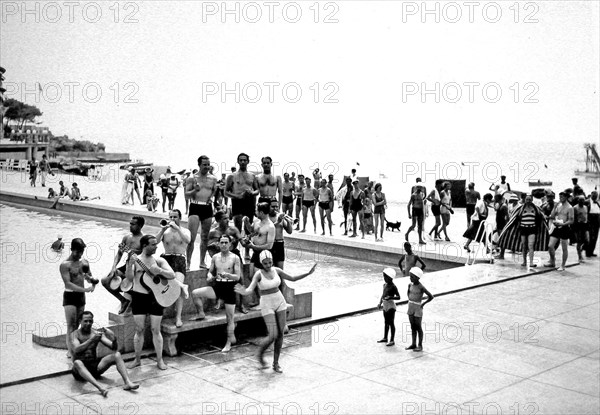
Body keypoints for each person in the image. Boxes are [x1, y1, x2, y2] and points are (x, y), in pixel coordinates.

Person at [234, 251, 317, 372]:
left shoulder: (276, 270)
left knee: (281, 333)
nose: (268, 265)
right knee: (273, 334)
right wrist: (243, 291)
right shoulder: (258, 274)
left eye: (270, 262)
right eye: (265, 263)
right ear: (261, 263)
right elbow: (250, 289)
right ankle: (260, 355)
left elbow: (292, 278)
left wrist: (308, 273)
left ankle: (276, 363)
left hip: (279, 301)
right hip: (267, 304)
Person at [125, 235, 176, 370]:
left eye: (156, 244)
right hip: (139, 297)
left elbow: (172, 275)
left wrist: (158, 270)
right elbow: (129, 279)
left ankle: (159, 361)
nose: (156, 247)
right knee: (139, 329)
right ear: (144, 246)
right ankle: (137, 360)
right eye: (153, 244)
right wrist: (129, 265)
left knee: (155, 329)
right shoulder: (136, 260)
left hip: (156, 298)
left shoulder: (159, 260)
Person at [191, 234, 242, 352]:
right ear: (218, 244)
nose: (224, 245)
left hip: (229, 288)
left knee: (230, 318)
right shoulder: (215, 257)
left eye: (226, 242)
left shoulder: (235, 258)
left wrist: (228, 275)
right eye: (222, 242)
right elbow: (210, 272)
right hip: (218, 286)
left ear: (230, 244)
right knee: (195, 293)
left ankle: (228, 343)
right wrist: (209, 277)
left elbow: (237, 277)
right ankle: (201, 313)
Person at [71, 311, 139, 397]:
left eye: (90, 321)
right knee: (77, 362)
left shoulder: (95, 333)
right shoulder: (74, 335)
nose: (88, 323)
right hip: (79, 371)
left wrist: (113, 338)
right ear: (80, 321)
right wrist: (92, 339)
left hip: (94, 367)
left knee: (117, 355)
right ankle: (100, 388)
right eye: (85, 321)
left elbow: (113, 348)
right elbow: (77, 349)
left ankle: (128, 382)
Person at [60, 238, 97, 356]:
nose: (79, 255)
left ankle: (77, 347)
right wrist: (86, 289)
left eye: (81, 252)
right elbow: (68, 284)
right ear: (71, 250)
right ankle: (70, 351)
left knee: (78, 324)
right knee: (71, 325)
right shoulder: (65, 265)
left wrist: (92, 282)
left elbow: (88, 276)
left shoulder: (84, 262)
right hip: (70, 296)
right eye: (77, 252)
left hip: (81, 296)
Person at [101, 216, 145, 314]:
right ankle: (123, 300)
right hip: (127, 265)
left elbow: (146, 257)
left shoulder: (144, 239)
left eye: (133, 224)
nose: (130, 226)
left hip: (139, 267)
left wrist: (134, 252)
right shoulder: (126, 237)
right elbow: (119, 253)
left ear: (140, 226)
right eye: (130, 223)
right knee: (105, 280)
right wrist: (113, 268)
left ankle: (132, 297)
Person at [156, 209, 192, 327]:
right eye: (171, 217)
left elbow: (188, 240)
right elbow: (155, 242)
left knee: (177, 288)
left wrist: (178, 229)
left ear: (180, 218)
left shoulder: (185, 231)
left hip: (179, 259)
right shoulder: (165, 232)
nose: (172, 219)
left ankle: (178, 317)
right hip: (166, 258)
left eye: (175, 217)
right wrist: (162, 230)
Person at [185, 156, 218, 269]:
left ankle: (202, 261)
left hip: (207, 207)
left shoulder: (213, 178)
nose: (207, 167)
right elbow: (186, 194)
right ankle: (188, 262)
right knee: (192, 238)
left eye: (208, 164)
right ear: (199, 165)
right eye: (204, 164)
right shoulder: (192, 178)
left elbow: (214, 190)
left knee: (205, 237)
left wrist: (211, 198)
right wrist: (195, 190)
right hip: (195, 206)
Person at [226, 153, 259, 236]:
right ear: (238, 162)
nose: (243, 162)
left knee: (248, 229)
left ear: (248, 161)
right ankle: (236, 247)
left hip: (249, 202)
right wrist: (237, 196)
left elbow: (257, 190)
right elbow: (226, 192)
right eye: (241, 160)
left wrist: (252, 193)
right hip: (237, 203)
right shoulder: (232, 176)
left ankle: (247, 248)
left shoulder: (252, 176)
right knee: (237, 229)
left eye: (244, 160)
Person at [404, 267, 434, 352]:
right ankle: (413, 343)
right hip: (411, 306)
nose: (410, 278)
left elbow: (431, 296)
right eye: (410, 276)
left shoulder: (421, 287)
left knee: (418, 327)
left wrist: (423, 304)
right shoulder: (410, 285)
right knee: (412, 326)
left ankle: (420, 345)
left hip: (418, 307)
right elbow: (408, 293)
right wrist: (410, 300)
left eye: (412, 277)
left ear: (417, 277)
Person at [545, 191, 574, 271]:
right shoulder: (559, 205)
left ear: (566, 197)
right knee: (550, 246)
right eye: (560, 197)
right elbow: (552, 216)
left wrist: (563, 224)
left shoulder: (570, 207)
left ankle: (563, 265)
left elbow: (571, 221)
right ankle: (552, 261)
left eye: (562, 197)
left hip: (564, 227)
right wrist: (555, 207)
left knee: (564, 247)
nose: (560, 198)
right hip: (557, 226)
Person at [515, 194, 545, 268]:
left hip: (532, 228)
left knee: (531, 245)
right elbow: (516, 218)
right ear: (524, 200)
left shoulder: (535, 209)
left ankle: (531, 262)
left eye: (529, 200)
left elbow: (540, 217)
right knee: (524, 245)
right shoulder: (521, 209)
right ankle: (524, 261)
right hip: (523, 228)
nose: (528, 201)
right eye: (527, 199)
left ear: (532, 200)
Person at [377, 268, 400, 347]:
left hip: (390, 306)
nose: (384, 279)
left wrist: (390, 297)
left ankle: (392, 340)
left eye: (385, 277)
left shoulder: (393, 287)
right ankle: (385, 337)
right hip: (385, 304)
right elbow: (382, 295)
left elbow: (398, 297)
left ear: (390, 278)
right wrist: (380, 303)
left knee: (391, 323)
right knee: (386, 322)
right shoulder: (384, 285)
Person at [573, 196, 589, 262]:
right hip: (578, 226)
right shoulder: (575, 208)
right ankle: (579, 256)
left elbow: (586, 216)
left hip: (585, 225)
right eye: (580, 200)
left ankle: (580, 251)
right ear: (578, 200)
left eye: (583, 200)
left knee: (587, 241)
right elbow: (573, 218)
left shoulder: (586, 207)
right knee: (579, 242)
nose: (582, 201)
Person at [493, 194, 509, 259]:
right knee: (501, 239)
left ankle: (502, 255)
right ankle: (501, 254)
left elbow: (507, 216)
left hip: (502, 224)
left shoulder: (504, 206)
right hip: (499, 224)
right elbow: (495, 209)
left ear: (498, 198)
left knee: (502, 239)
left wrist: (507, 224)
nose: (494, 199)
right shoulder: (499, 205)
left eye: (495, 198)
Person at [586, 191, 600, 257]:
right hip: (590, 222)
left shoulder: (597, 203)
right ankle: (587, 252)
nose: (595, 196)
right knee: (590, 237)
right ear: (591, 195)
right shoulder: (587, 202)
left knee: (595, 237)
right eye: (593, 195)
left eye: (596, 195)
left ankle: (591, 251)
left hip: (597, 222)